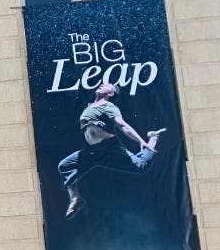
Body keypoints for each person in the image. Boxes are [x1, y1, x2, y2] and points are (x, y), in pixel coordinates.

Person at [58, 82, 166, 219]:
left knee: (140, 166)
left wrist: (142, 141)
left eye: (107, 85)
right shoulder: (90, 106)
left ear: (111, 93)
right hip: (91, 151)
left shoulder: (109, 106)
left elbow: (123, 125)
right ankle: (76, 199)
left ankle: (153, 138)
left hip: (109, 148)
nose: (102, 84)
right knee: (64, 165)